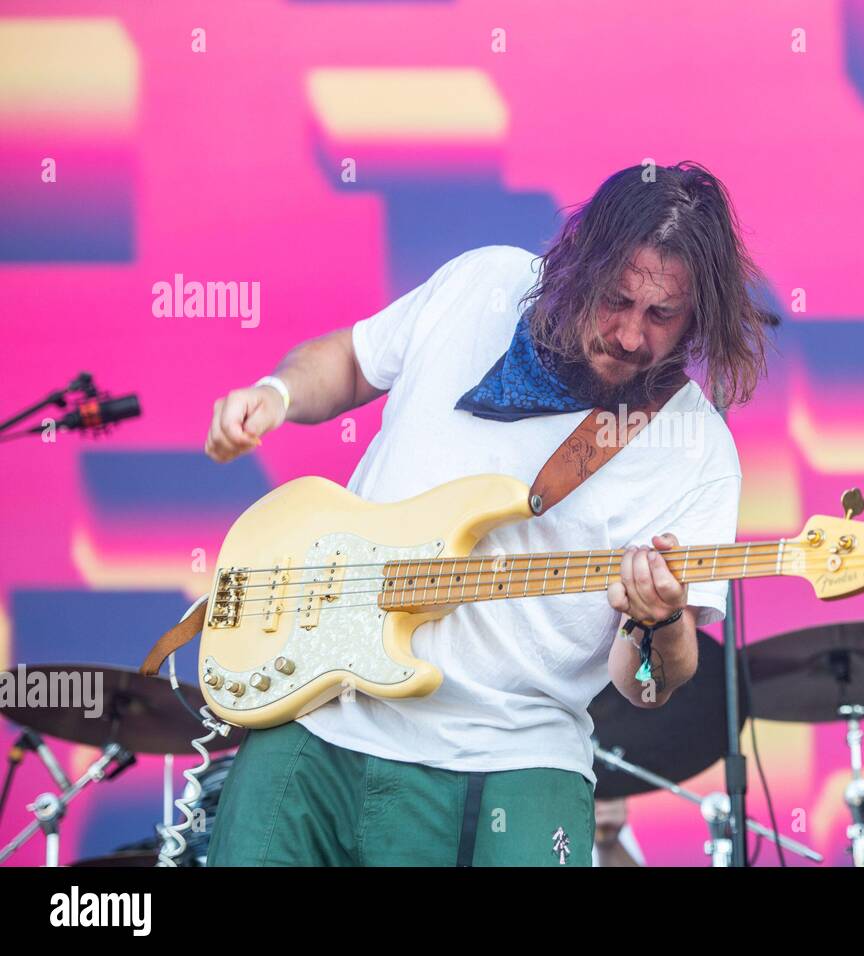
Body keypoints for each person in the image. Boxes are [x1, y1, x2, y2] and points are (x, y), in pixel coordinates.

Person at [202, 161, 772, 866]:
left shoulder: (696, 452)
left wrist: (659, 623)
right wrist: (276, 394)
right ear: (580, 263)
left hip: (509, 761)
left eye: (661, 315)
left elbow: (645, 682)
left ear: (699, 314)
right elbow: (351, 362)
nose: (630, 335)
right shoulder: (482, 283)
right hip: (316, 715)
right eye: (616, 301)